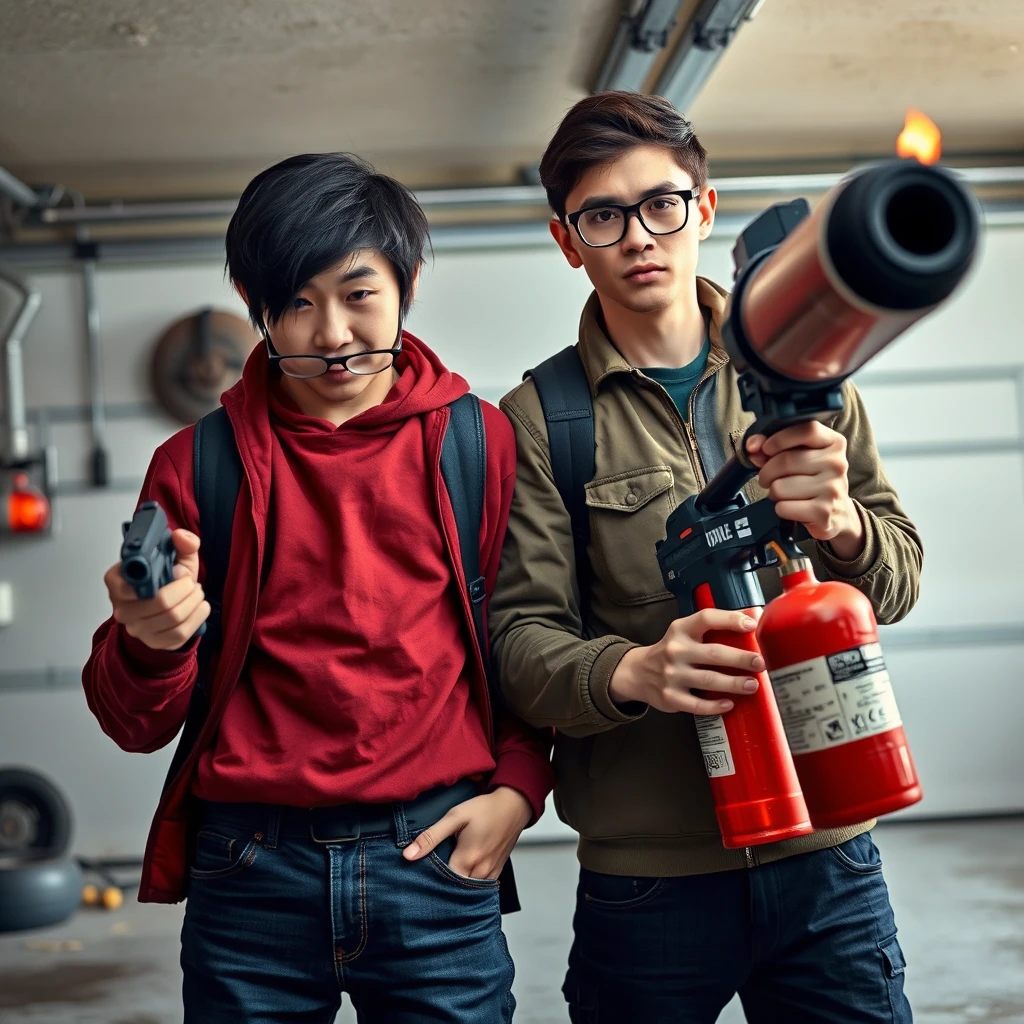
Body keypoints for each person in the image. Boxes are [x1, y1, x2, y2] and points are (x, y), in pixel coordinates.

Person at [83, 152, 553, 1024]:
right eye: (296, 303)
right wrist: (154, 641)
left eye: (358, 292)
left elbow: (521, 637)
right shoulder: (196, 465)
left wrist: (519, 792)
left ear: (406, 287)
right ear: (259, 313)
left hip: (436, 858)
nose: (331, 332)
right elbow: (132, 722)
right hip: (250, 869)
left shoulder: (479, 444)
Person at [490, 91, 922, 1023]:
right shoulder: (539, 424)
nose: (640, 235)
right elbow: (519, 644)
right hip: (649, 884)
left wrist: (844, 524)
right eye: (604, 216)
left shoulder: (809, 374)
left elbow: (901, 578)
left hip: (829, 860)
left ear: (705, 207)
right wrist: (637, 669)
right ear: (569, 241)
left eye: (662, 204)